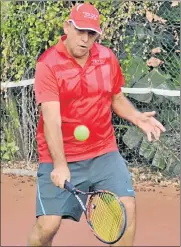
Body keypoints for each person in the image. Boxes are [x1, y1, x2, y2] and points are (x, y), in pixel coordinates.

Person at [28, 3, 166, 246]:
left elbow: (115, 97)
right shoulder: (47, 64)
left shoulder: (106, 58)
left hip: (104, 151)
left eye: (91, 33)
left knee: (127, 209)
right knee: (47, 227)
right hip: (62, 154)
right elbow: (50, 119)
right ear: (67, 27)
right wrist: (60, 166)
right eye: (80, 30)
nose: (85, 39)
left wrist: (136, 117)